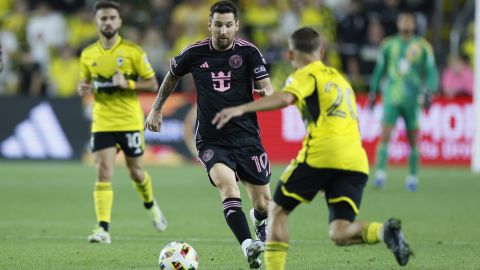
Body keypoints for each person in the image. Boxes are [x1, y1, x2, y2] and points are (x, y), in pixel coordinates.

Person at [212, 26, 412, 269]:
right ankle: (384, 233)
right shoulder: (341, 81)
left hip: (322, 154)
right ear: (322, 51)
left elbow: (286, 98)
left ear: (290, 55)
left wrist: (241, 108)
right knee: (340, 232)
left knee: (276, 211)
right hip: (355, 161)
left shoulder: (305, 74)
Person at [145, 1, 273, 268]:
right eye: (218, 24)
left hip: (247, 137)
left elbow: (267, 88)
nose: (223, 30)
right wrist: (156, 109)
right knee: (228, 188)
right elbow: (171, 77)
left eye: (228, 25)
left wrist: (264, 93)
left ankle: (259, 220)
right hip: (212, 139)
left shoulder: (249, 53)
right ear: (210, 25)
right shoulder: (194, 52)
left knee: (264, 203)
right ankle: (248, 246)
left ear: (236, 26)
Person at [77, 1, 167, 244]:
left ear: (119, 22)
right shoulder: (88, 54)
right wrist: (81, 87)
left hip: (129, 121)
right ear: (96, 22)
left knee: (136, 173)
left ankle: (151, 205)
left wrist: (127, 84)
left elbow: (152, 84)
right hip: (103, 121)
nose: (107, 22)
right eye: (103, 18)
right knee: (103, 171)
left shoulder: (133, 52)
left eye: (112, 18)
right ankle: (103, 229)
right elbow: (85, 83)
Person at [368, 10, 438, 191]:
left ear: (414, 25)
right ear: (398, 24)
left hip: (412, 99)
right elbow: (379, 70)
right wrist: (373, 92)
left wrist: (430, 91)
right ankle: (380, 174)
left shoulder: (423, 47)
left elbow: (431, 72)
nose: (406, 23)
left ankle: (413, 177)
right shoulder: (388, 45)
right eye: (403, 20)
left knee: (413, 138)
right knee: (385, 135)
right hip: (391, 97)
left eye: (409, 21)